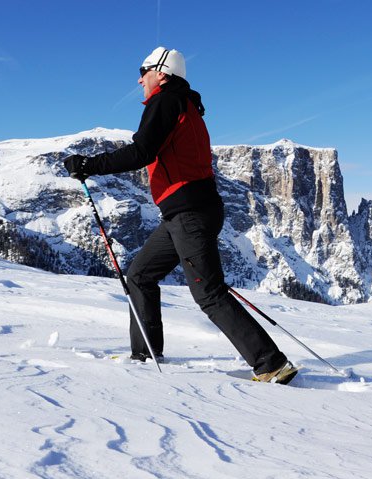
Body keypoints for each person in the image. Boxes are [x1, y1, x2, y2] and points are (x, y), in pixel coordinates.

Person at [63, 47, 297, 384]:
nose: (139, 78)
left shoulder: (166, 101)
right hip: (183, 213)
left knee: (210, 293)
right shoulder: (183, 104)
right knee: (140, 275)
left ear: (162, 72)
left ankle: (271, 364)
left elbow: (142, 151)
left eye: (143, 70)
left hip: (189, 213)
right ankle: (145, 353)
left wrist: (89, 165)